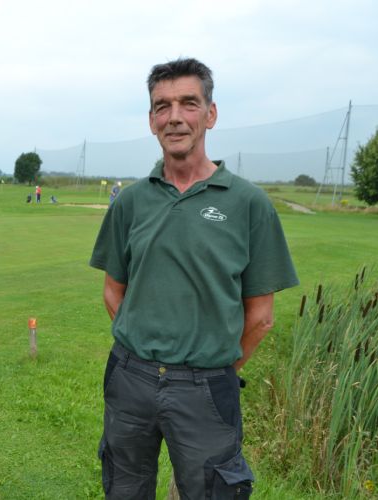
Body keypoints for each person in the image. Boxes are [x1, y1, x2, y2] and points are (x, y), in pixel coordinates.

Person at [89, 58, 298, 499]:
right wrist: (143, 352)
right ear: (151, 121)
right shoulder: (130, 203)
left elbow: (260, 317)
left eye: (188, 103)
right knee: (125, 487)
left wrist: (211, 370)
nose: (175, 117)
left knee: (209, 491)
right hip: (131, 380)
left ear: (210, 113)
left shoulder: (248, 204)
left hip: (206, 386)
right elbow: (114, 292)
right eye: (162, 106)